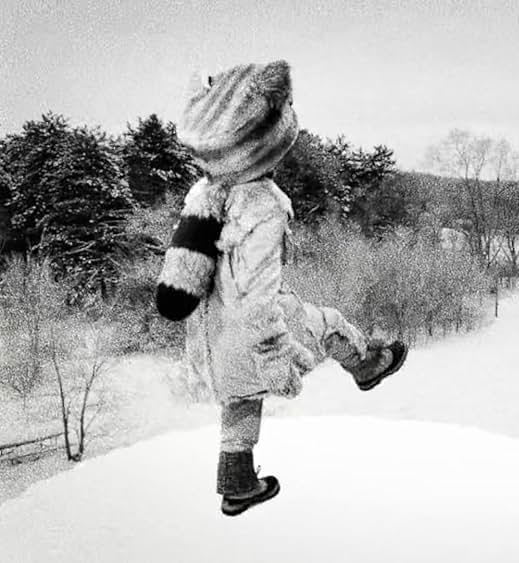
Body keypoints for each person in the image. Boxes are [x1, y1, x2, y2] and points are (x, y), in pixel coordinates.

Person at [155, 60, 407, 517]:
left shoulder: (203, 196)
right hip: (256, 330)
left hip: (213, 338)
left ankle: (237, 483)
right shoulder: (263, 206)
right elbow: (256, 293)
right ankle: (368, 365)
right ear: (264, 136)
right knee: (328, 323)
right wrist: (273, 356)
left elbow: (185, 277)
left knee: (240, 399)